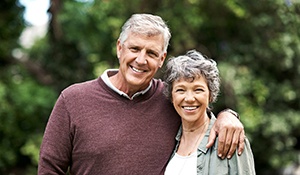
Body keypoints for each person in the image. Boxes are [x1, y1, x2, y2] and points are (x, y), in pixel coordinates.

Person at [38, 14, 245, 175]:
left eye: (152, 53)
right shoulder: (73, 100)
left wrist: (228, 115)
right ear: (120, 48)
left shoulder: (170, 98)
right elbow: (49, 169)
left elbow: (200, 114)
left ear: (162, 59)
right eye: (135, 48)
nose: (141, 60)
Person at [163, 50, 255, 175]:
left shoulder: (229, 139)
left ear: (211, 95)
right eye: (180, 90)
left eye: (198, 90)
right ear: (171, 96)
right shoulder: (167, 141)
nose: (189, 98)